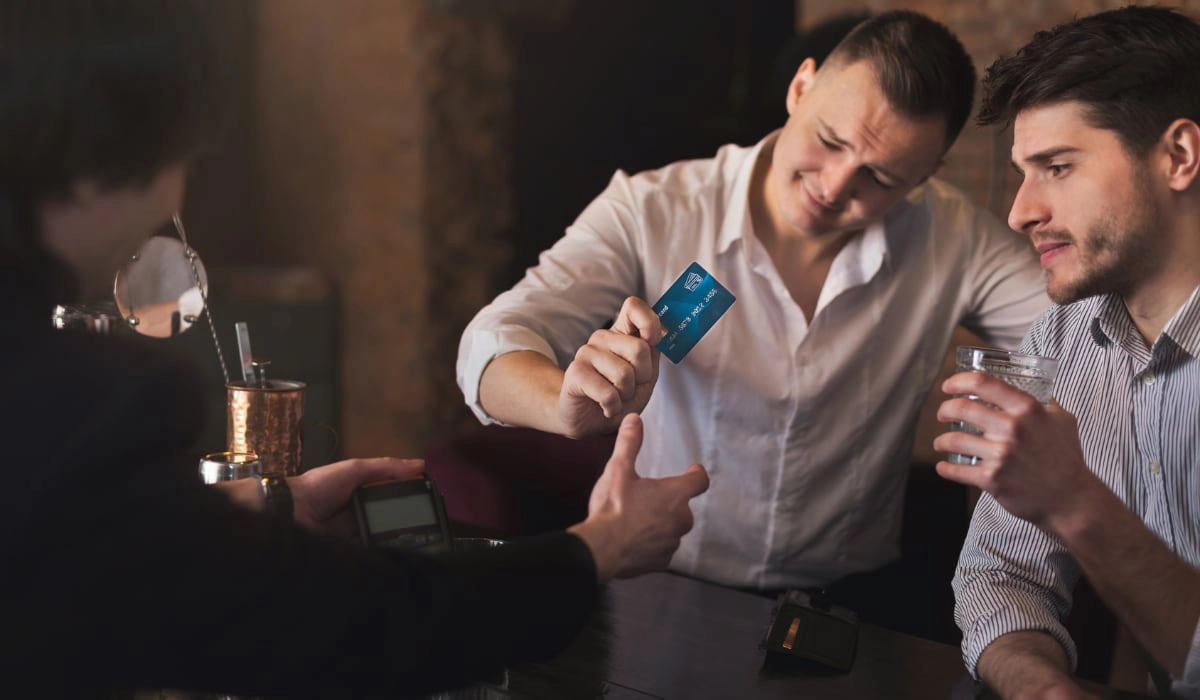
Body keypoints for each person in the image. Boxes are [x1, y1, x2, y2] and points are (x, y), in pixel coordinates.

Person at [0, 1, 709, 696]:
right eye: (179, 160)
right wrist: (594, 551)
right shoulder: (88, 401)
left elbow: (101, 543)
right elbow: (336, 623)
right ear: (94, 164)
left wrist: (263, 511)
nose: (175, 201)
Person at [457, 9, 1048, 606]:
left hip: (854, 601)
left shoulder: (954, 238)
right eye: (830, 140)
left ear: (925, 176)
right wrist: (563, 407)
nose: (836, 185)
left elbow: (1080, 330)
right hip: (664, 579)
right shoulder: (653, 209)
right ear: (800, 86)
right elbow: (491, 341)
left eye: (879, 176)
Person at [935, 6, 1200, 699]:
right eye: (1025, 172)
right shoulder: (1066, 334)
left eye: (1057, 166)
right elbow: (999, 574)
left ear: (1179, 157)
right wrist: (1038, 685)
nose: (1021, 210)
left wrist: (1073, 500)